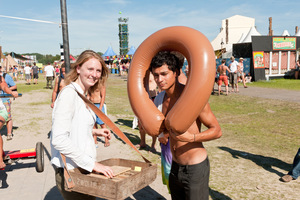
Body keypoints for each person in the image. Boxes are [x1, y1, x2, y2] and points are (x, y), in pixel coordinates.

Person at [150, 51, 222, 200]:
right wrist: (162, 134)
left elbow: (217, 131)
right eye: (156, 75)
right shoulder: (161, 98)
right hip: (174, 166)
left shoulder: (192, 97)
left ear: (176, 72)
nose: (159, 79)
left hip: (194, 167)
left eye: (164, 74)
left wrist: (192, 137)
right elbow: (165, 128)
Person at [51, 50, 114, 199]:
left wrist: (94, 132)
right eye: (90, 69)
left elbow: (73, 127)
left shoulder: (81, 94)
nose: (95, 74)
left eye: (98, 70)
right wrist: (93, 165)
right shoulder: (69, 94)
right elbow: (59, 139)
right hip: (74, 171)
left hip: (82, 169)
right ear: (78, 69)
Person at [0, 76, 19, 169]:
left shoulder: (1, 78)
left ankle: (0, 160)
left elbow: (4, 87)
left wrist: (11, 92)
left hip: (0, 111)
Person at [136, 73, 158, 152]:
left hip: (152, 98)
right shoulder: (142, 72)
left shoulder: (154, 72)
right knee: (140, 123)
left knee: (153, 123)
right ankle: (142, 142)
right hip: (142, 99)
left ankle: (153, 145)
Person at [89, 77, 109, 147]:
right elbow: (88, 95)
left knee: (102, 124)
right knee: (93, 124)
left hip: (98, 105)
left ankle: (106, 140)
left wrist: (100, 107)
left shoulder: (101, 85)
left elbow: (103, 97)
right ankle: (95, 141)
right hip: (91, 105)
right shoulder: (90, 85)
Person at [0, 66, 17, 140]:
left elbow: (5, 86)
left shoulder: (4, 76)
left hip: (4, 100)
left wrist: (10, 92)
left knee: (8, 117)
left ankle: (9, 133)